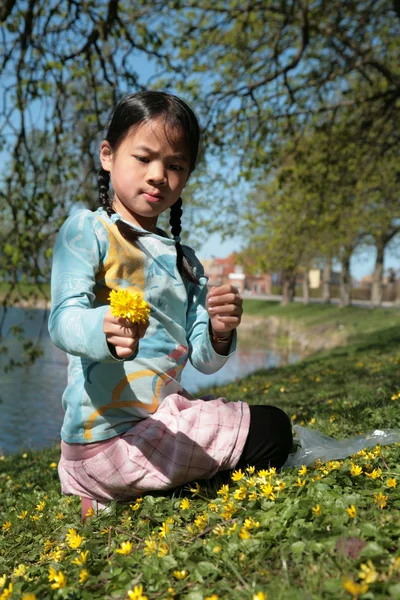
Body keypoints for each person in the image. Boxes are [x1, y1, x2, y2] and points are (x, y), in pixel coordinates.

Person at [48, 91, 292, 517]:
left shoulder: (185, 262)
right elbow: (62, 320)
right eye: (143, 158)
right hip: (106, 442)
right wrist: (102, 327)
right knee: (272, 429)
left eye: (175, 165)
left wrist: (219, 329)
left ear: (187, 176)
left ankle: (132, 487)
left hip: (158, 423)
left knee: (254, 420)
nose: (158, 175)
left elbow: (203, 358)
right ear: (108, 155)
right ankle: (118, 485)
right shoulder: (87, 230)